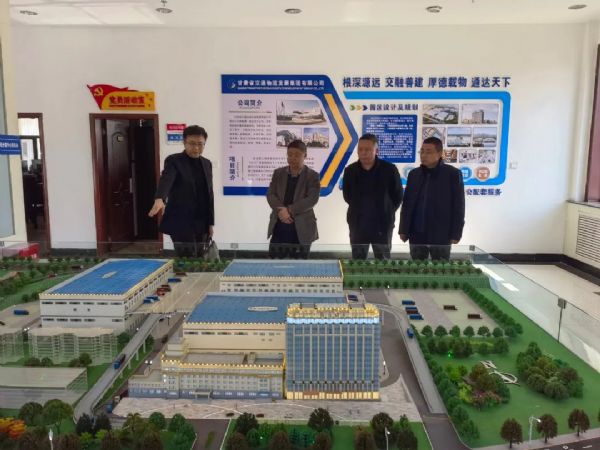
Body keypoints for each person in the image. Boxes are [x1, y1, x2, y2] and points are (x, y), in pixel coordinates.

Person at [148, 125, 214, 257]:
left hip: (201, 221)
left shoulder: (207, 163)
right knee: (186, 258)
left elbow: (209, 194)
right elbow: (167, 178)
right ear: (184, 142)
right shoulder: (174, 161)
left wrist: (210, 223)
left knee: (200, 257)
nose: (196, 148)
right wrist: (160, 198)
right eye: (192, 143)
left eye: (200, 144)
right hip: (181, 220)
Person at [399, 136, 465, 260]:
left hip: (441, 233)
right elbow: (407, 204)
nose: (423, 155)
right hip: (416, 232)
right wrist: (403, 229)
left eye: (428, 152)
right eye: (422, 151)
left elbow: (458, 206)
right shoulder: (414, 174)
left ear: (439, 154)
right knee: (417, 266)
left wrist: (456, 233)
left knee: (440, 267)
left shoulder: (452, 174)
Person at [343, 133, 403, 259]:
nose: (363, 153)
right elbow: (347, 196)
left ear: (377, 151)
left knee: (383, 261)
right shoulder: (350, 170)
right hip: (358, 223)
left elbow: (397, 196)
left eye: (368, 149)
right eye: (360, 149)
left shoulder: (389, 170)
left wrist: (387, 210)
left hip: (382, 223)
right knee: (358, 260)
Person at [267, 140, 320, 258]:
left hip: (302, 227)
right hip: (279, 224)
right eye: (290, 154)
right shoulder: (278, 173)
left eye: (297, 155)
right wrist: (281, 211)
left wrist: (289, 210)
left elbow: (312, 199)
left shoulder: (312, 176)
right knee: (274, 262)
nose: (292, 158)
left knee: (300, 264)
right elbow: (271, 195)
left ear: (305, 155)